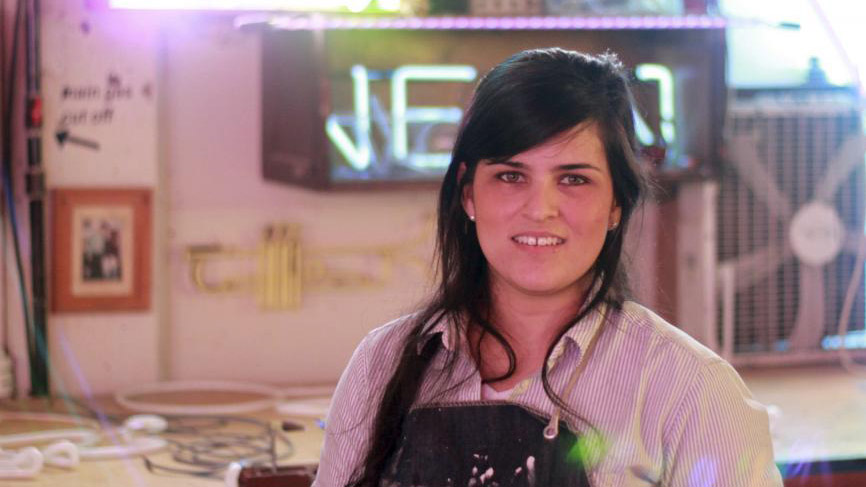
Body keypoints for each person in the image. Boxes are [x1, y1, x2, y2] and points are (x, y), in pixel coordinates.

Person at [314, 48, 782, 487]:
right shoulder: (383, 362)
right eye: (511, 176)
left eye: (574, 179)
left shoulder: (694, 391)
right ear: (468, 193)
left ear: (616, 202)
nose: (541, 209)